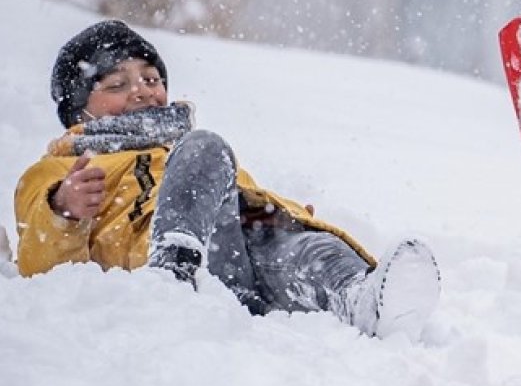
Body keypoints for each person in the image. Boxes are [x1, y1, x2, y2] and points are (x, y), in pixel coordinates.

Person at [14, 20, 441, 339]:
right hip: (164, 266)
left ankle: (360, 299)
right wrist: (63, 211)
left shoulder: (181, 148)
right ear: (78, 109)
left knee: (308, 247)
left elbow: (237, 193)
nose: (143, 90)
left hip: (235, 259)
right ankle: (173, 273)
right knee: (206, 147)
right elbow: (39, 267)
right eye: (117, 83)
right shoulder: (60, 168)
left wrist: (283, 214)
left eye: (151, 78)